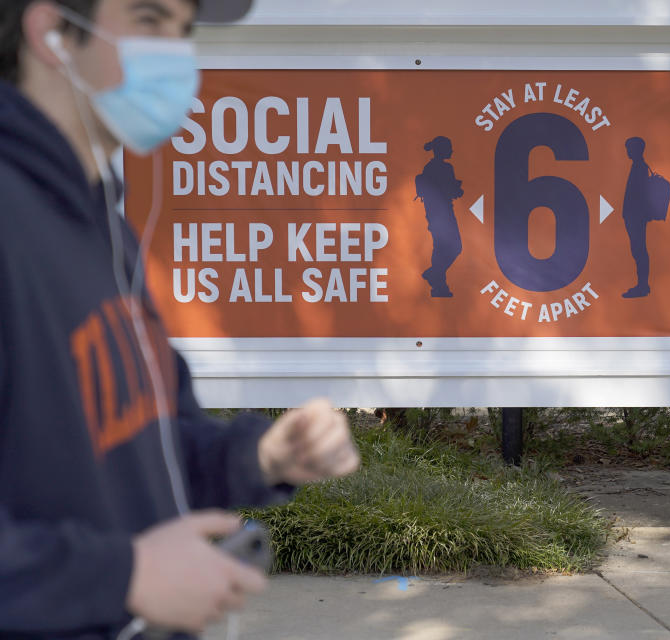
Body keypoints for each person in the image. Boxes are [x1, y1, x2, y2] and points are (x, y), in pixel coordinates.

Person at [0, 1, 361, 638]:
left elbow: (152, 447)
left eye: (183, 30)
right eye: (149, 20)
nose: (176, 53)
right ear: (52, 32)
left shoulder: (105, 226)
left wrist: (260, 455)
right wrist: (124, 576)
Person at [621, 136, 670, 298]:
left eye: (629, 148)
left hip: (636, 217)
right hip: (635, 216)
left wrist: (631, 213)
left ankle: (642, 286)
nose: (627, 151)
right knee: (638, 250)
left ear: (636, 149)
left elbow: (637, 194)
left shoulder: (639, 168)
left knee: (639, 250)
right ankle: (642, 285)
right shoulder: (638, 166)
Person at [416, 135, 463, 297]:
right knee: (454, 247)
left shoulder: (429, 168)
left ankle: (438, 283)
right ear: (442, 150)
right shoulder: (445, 168)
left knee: (441, 248)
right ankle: (436, 276)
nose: (451, 151)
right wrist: (457, 190)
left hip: (435, 214)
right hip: (443, 214)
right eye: (448, 148)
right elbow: (447, 191)